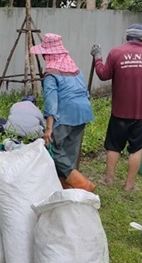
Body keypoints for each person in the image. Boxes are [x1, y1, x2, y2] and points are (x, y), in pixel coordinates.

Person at [91, 23, 142, 192]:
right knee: (136, 147)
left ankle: (109, 179)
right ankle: (129, 185)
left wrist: (97, 57)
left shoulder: (116, 53)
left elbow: (103, 75)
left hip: (120, 111)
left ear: (127, 37)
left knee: (114, 146)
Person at [31, 33, 95, 192]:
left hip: (67, 114)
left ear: (49, 54)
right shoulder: (74, 68)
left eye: (45, 54)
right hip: (84, 112)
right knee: (69, 151)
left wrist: (48, 129)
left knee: (53, 147)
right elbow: (85, 92)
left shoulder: (51, 73)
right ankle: (67, 188)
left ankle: (81, 183)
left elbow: (51, 101)